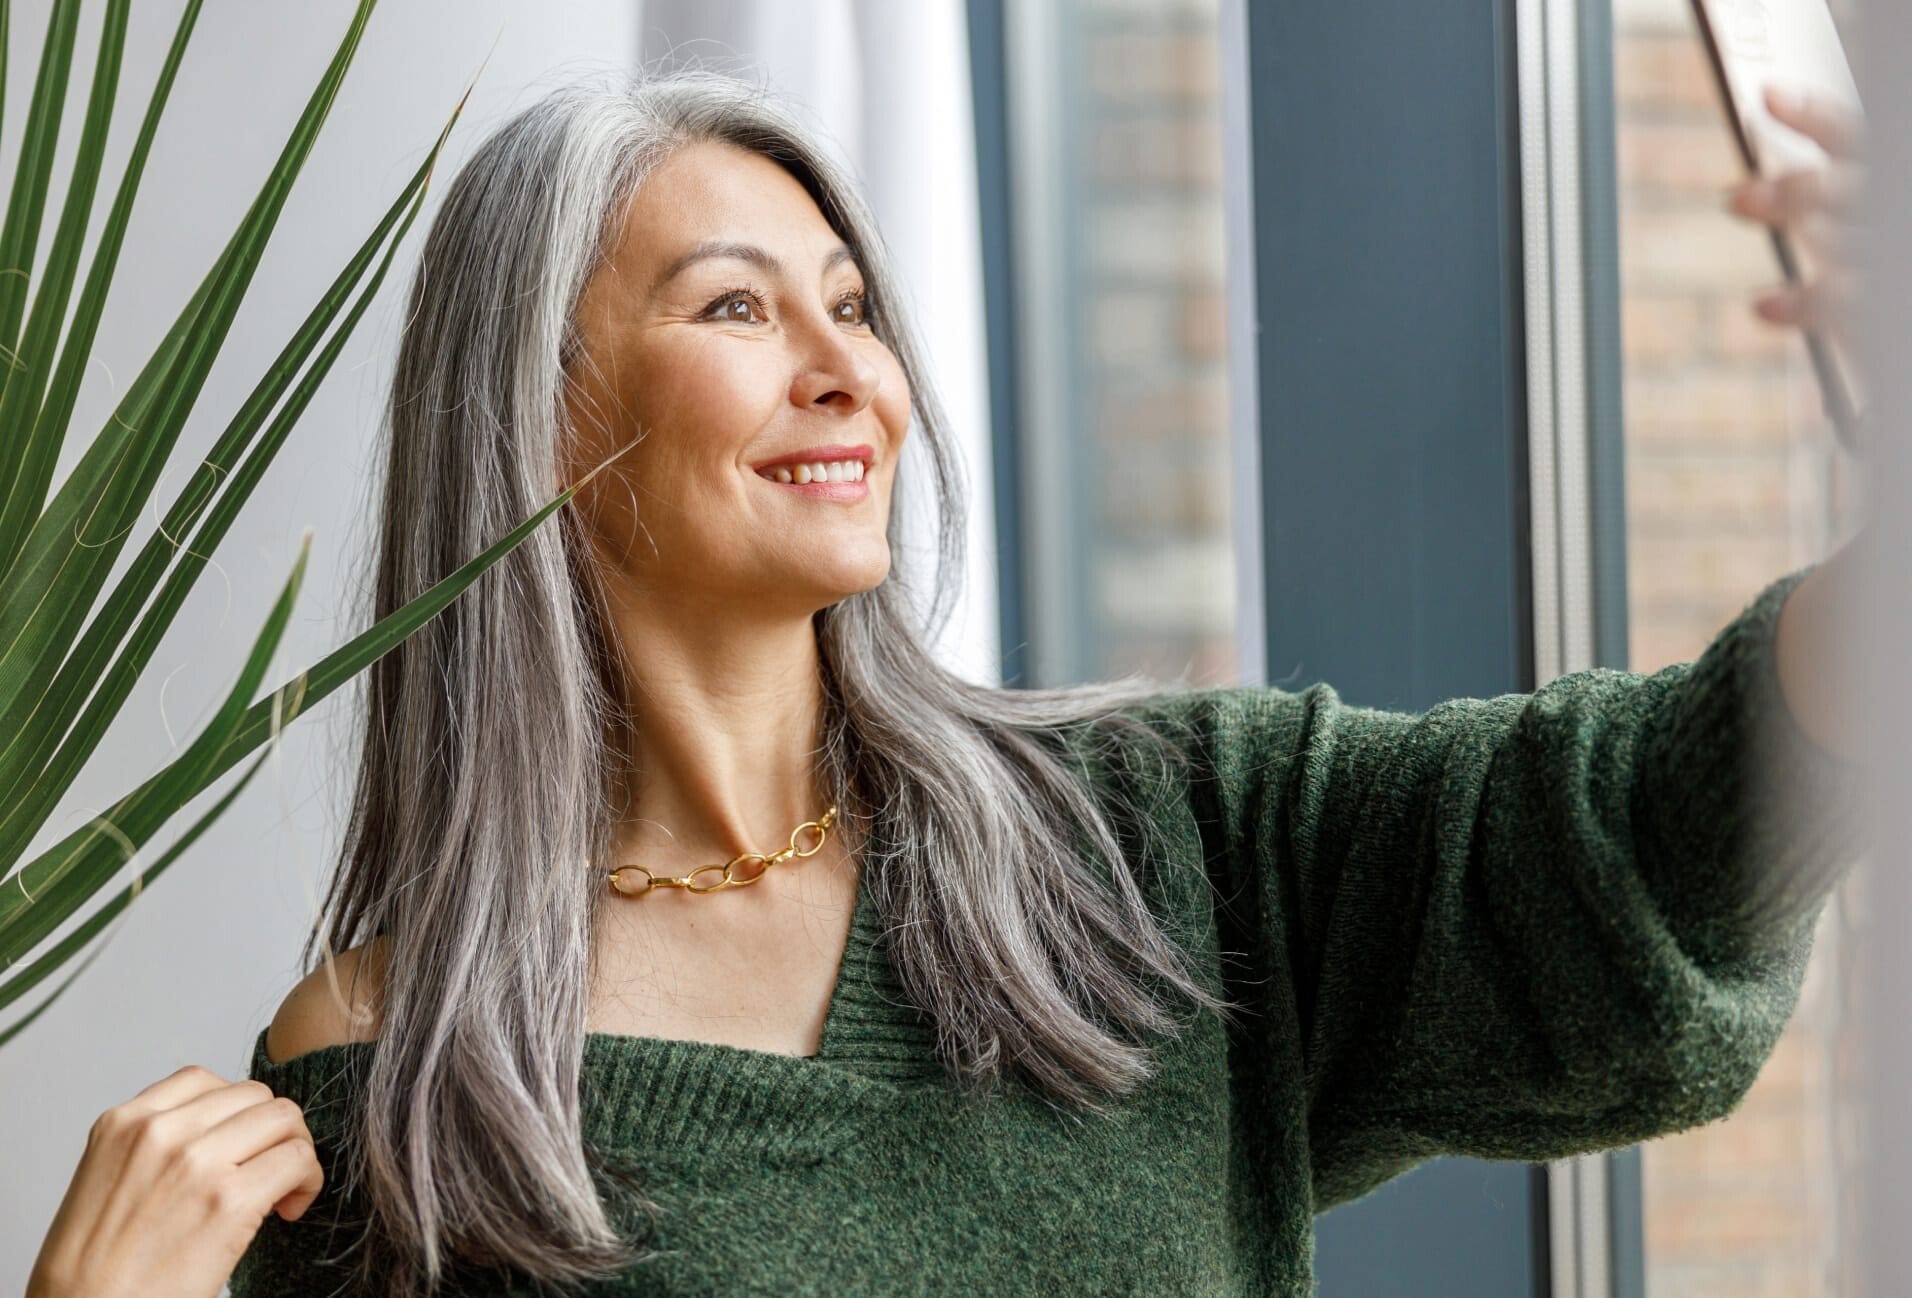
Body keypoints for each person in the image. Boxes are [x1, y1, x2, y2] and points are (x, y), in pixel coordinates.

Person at [26, 71, 1869, 1298]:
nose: (851, 371)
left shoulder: (1160, 840)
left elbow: (1641, 832)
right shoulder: (395, 1081)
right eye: (738, 308)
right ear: (537, 416)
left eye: (856, 301)